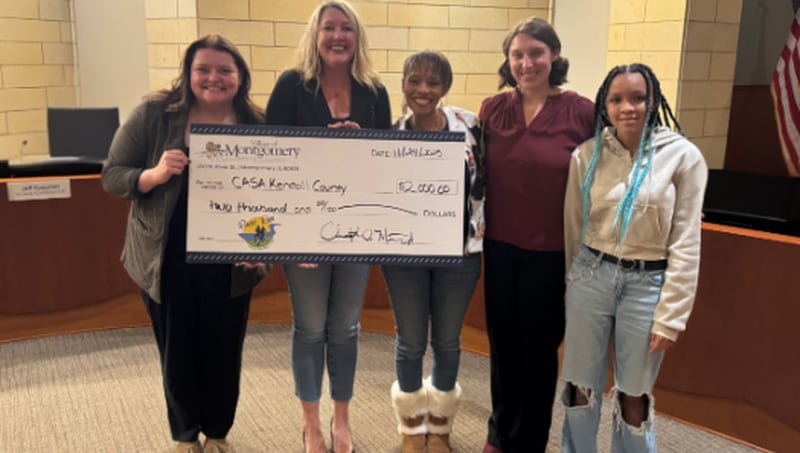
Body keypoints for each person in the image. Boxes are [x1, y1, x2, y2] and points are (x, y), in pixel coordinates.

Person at [101, 35, 267, 453]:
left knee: (224, 347)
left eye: (225, 70)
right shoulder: (155, 114)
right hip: (166, 255)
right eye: (203, 69)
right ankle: (185, 434)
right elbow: (112, 174)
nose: (214, 78)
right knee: (177, 348)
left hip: (231, 259)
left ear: (240, 76)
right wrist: (153, 175)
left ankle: (218, 431)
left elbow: (273, 196)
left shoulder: (257, 122)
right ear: (187, 73)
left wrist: (262, 253)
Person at [264, 1, 391, 452]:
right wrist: (289, 237)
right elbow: (271, 159)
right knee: (311, 326)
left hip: (357, 227)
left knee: (346, 327)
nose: (338, 36)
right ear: (315, 36)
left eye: (346, 28)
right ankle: (311, 422)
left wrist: (362, 144)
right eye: (329, 28)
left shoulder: (374, 92)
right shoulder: (291, 85)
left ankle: (342, 419)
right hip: (304, 233)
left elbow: (386, 163)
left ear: (357, 37)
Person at [560, 63, 707, 452]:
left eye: (638, 98)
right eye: (617, 99)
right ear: (604, 106)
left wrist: (672, 314)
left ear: (653, 100)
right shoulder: (586, 155)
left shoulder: (683, 157)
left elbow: (687, 240)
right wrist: (572, 281)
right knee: (579, 387)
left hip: (647, 285)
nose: (628, 107)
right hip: (590, 276)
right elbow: (574, 226)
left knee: (633, 395)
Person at [479, 17, 595, 453]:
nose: (526, 63)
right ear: (508, 61)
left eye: (536, 53)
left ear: (554, 56)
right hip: (499, 247)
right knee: (503, 345)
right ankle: (499, 433)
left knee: (539, 351)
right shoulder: (492, 109)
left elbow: (615, 163)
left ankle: (529, 442)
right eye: (517, 55)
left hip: (552, 253)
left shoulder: (581, 112)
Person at [383, 51, 485, 453]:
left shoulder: (470, 126)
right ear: (403, 84)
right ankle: (411, 428)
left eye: (433, 82)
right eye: (414, 80)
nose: (423, 89)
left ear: (446, 87)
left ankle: (440, 427)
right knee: (410, 341)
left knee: (447, 341)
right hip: (404, 257)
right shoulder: (388, 135)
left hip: (459, 255)